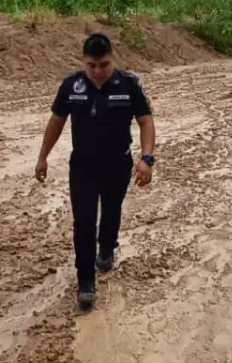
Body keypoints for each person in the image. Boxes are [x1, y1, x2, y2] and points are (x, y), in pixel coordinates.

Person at [35, 33, 156, 311]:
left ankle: (107, 246)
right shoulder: (71, 86)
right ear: (83, 61)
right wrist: (43, 157)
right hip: (83, 168)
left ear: (112, 59)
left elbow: (146, 122)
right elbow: (56, 122)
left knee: (111, 211)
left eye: (104, 65)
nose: (98, 72)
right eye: (92, 65)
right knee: (84, 220)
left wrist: (146, 158)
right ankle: (86, 280)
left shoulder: (128, 85)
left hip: (118, 165)